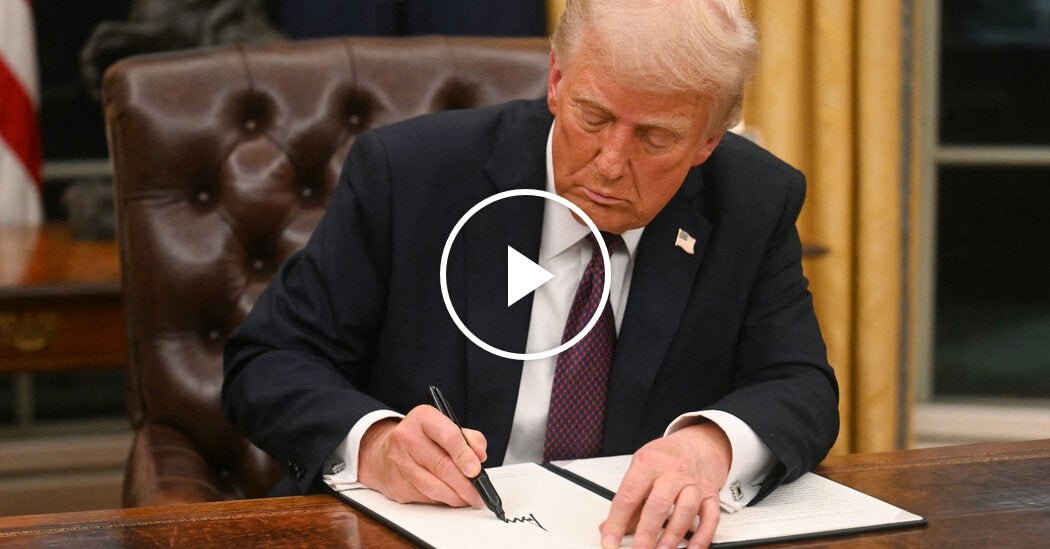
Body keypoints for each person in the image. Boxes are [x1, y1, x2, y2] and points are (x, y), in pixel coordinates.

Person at [223, 1, 839, 547]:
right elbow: (270, 360)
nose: (611, 162)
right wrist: (377, 443)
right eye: (593, 116)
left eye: (656, 138)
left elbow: (799, 384)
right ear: (556, 80)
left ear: (709, 141)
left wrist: (709, 447)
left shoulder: (752, 201)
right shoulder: (409, 174)